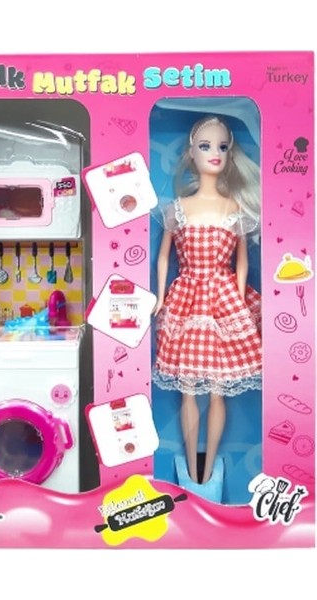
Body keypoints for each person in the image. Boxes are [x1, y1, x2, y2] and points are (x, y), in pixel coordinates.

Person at [152, 115, 262, 487]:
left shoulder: (234, 209)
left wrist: (239, 299)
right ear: (191, 153)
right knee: (188, 390)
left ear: (230, 154)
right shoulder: (178, 208)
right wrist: (160, 296)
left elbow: (241, 261)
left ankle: (208, 468)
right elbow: (164, 257)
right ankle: (191, 470)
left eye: (222, 147)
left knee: (218, 391)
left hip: (224, 298)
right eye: (205, 146)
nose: (214, 153)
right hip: (187, 298)